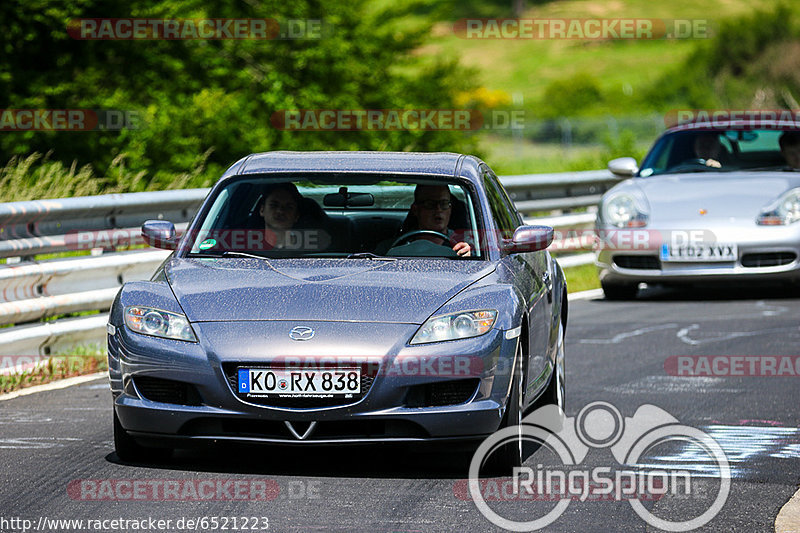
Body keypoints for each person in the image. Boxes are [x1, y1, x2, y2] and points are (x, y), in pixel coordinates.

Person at [379, 184, 472, 257]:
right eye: (430, 204)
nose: (438, 209)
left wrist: (470, 258)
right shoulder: (391, 247)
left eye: (444, 204)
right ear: (415, 209)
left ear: (451, 208)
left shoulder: (465, 244)